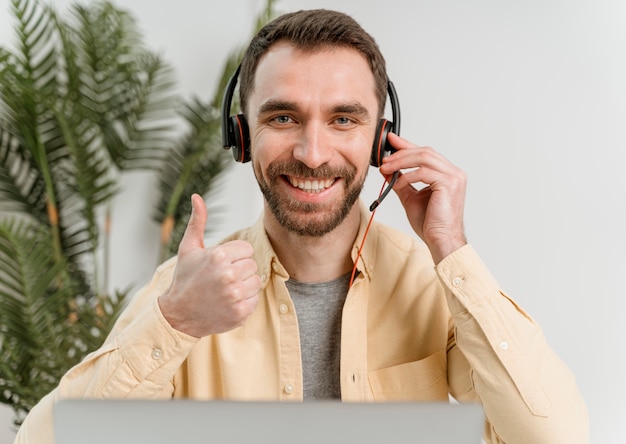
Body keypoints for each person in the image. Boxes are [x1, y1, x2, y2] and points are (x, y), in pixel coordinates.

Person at [15, 9, 588, 443]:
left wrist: (451, 249)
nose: (313, 154)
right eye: (284, 117)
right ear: (242, 136)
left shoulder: (435, 285)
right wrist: (176, 323)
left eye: (344, 119)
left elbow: (555, 438)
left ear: (380, 140)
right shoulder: (187, 292)